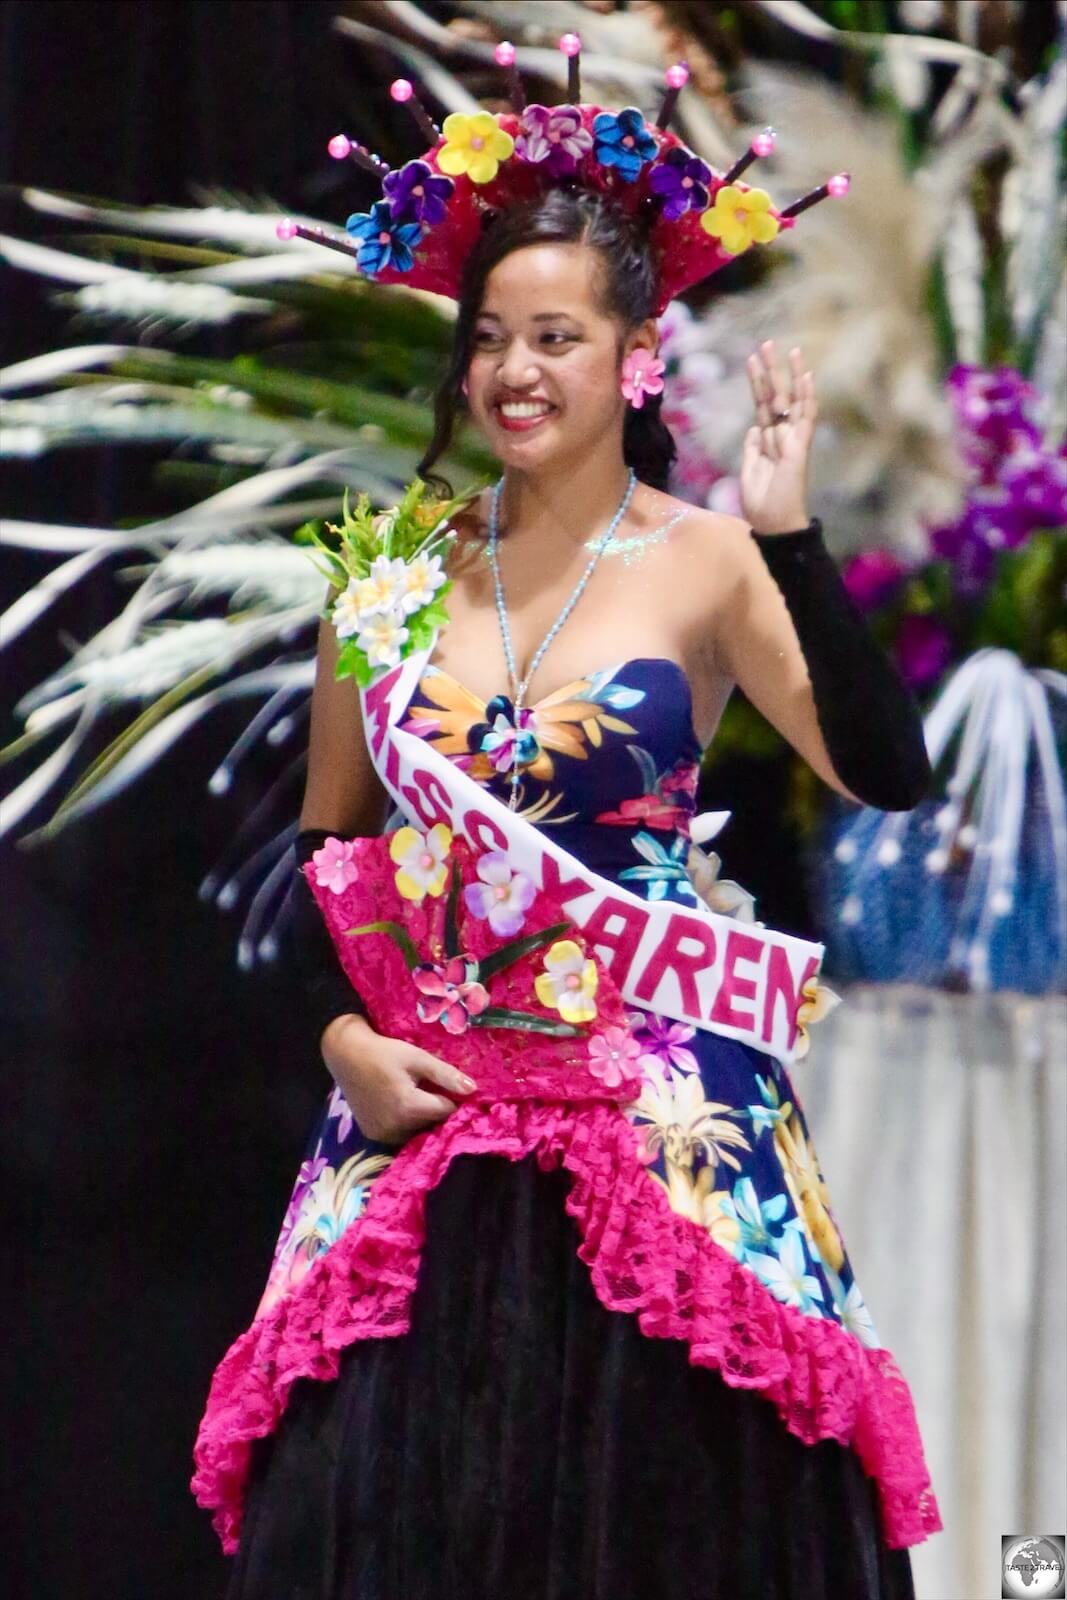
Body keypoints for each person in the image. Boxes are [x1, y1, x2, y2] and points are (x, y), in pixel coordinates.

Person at [194, 67, 941, 1600]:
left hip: (663, 1127)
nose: (514, 373)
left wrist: (792, 537)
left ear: (637, 357)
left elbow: (888, 773)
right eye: (488, 340)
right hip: (433, 1119)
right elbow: (323, 854)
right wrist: (335, 1034)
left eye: (556, 338)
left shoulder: (715, 561)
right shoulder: (388, 573)